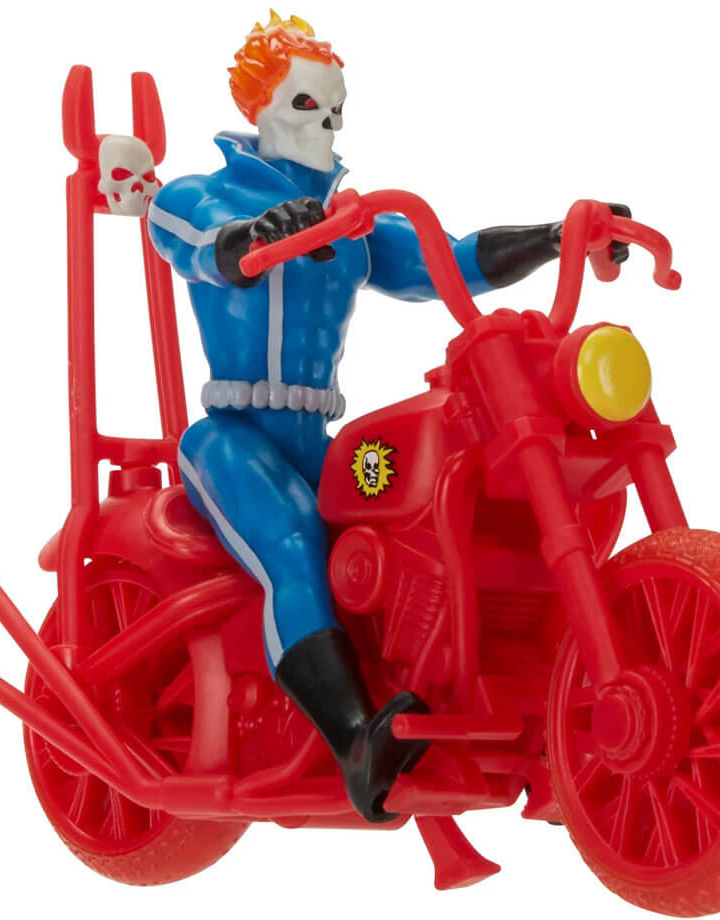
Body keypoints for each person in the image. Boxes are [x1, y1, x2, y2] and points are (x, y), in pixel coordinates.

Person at [148, 10, 628, 822]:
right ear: (260, 107)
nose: (327, 126)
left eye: (336, 109)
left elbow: (455, 259)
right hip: (232, 435)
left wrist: (555, 237)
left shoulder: (355, 224)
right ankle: (354, 742)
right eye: (307, 106)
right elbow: (200, 244)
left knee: (413, 522)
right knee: (294, 542)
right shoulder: (202, 194)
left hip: (318, 441)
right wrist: (254, 236)